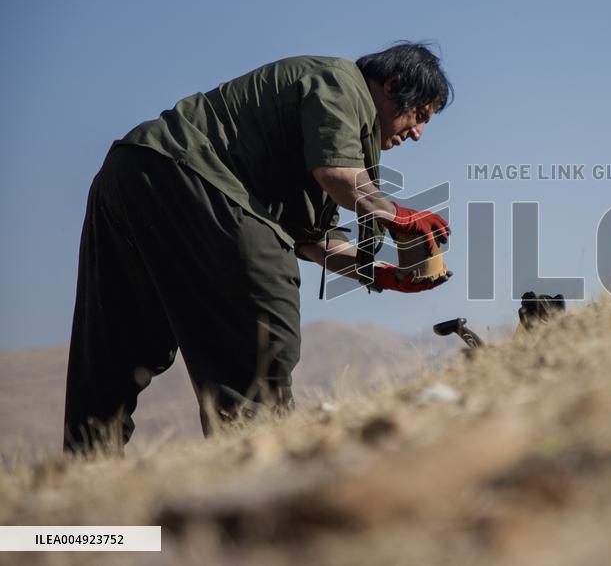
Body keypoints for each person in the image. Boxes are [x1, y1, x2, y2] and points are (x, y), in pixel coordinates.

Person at [63, 43, 453, 453]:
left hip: (132, 170)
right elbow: (337, 174)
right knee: (263, 310)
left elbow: (312, 238)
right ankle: (257, 456)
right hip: (184, 171)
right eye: (419, 115)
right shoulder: (341, 83)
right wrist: (397, 213)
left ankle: (84, 467)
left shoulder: (335, 129)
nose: (417, 133)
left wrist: (381, 275)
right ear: (392, 86)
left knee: (120, 338)